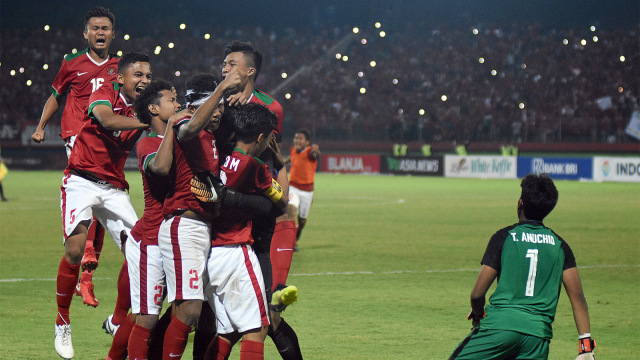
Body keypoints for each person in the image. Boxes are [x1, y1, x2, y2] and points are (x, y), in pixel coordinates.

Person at [54, 51, 152, 360]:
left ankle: (118, 318)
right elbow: (106, 118)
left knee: (141, 253)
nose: (144, 81)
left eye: (148, 76)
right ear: (121, 78)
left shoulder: (146, 106)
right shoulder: (104, 91)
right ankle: (62, 321)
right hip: (81, 179)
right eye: (139, 75)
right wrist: (147, 120)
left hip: (114, 188)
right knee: (75, 247)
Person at [449, 173, 595, 360]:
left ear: (520, 203)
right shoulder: (561, 246)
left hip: (499, 329)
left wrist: (478, 314)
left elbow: (477, 294)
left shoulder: (504, 237)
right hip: (537, 338)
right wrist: (585, 346)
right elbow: (578, 299)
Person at [33, 5, 120, 309]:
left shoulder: (120, 68)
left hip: (104, 142)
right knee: (90, 188)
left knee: (101, 198)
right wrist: (42, 125)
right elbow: (56, 95)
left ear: (112, 33)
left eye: (105, 28)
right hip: (76, 135)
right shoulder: (71, 63)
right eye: (94, 28)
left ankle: (85, 278)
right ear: (86, 33)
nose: (100, 33)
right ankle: (86, 256)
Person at [222, 41, 303, 360]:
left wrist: (283, 208)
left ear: (250, 70)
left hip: (262, 209)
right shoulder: (216, 103)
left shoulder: (272, 107)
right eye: (224, 63)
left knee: (267, 316)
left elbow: (275, 159)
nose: (224, 68)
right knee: (214, 315)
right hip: (227, 214)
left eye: (231, 63)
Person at [157, 71, 242, 360]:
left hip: (201, 227)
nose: (218, 112)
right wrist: (221, 89)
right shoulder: (183, 120)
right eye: (213, 105)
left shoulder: (212, 138)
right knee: (191, 308)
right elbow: (188, 130)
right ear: (196, 104)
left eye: (221, 106)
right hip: (184, 225)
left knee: (202, 309)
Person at [205, 103, 285, 360]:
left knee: (227, 331)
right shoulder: (255, 166)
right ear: (261, 137)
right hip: (235, 251)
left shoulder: (219, 155)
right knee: (257, 328)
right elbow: (276, 204)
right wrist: (280, 168)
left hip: (208, 251)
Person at [120, 80, 187, 360]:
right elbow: (160, 167)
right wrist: (173, 126)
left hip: (176, 237)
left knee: (185, 309)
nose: (178, 104)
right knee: (146, 317)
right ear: (153, 108)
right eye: (171, 100)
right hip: (151, 240)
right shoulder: (147, 143)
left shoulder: (181, 137)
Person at [285, 129, 320, 245]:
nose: (297, 140)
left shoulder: (310, 152)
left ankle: (298, 231)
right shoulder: (293, 151)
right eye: (296, 138)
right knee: (291, 210)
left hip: (307, 191)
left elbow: (315, 155)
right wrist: (281, 163)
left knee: (302, 220)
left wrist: (316, 152)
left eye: (300, 138)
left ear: (306, 142)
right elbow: (290, 158)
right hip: (293, 187)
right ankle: (292, 241)